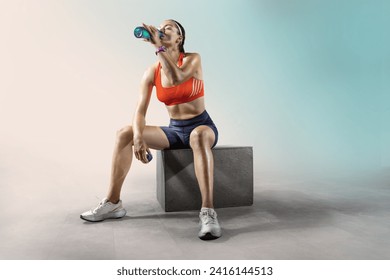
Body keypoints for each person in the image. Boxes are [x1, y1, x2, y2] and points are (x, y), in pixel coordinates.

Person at [80, 19, 221, 240]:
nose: (162, 30)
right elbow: (140, 111)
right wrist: (137, 136)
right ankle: (113, 203)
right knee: (124, 133)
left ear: (179, 38)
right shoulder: (152, 71)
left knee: (198, 135)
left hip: (201, 125)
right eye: (160, 28)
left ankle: (208, 212)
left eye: (168, 28)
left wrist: (158, 47)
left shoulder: (193, 59)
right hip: (175, 130)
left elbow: (176, 78)